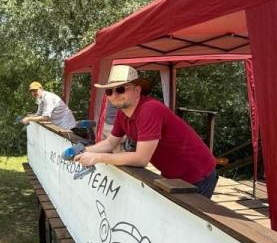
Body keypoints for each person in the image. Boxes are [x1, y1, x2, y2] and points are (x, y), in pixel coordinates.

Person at [74, 65, 218, 198]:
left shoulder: (150, 109)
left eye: (120, 89)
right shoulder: (122, 114)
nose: (114, 95)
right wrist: (82, 150)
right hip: (172, 175)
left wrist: (99, 157)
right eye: (109, 91)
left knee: (186, 218)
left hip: (197, 174)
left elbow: (141, 159)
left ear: (137, 90)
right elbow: (110, 143)